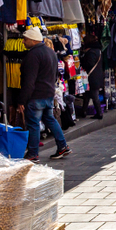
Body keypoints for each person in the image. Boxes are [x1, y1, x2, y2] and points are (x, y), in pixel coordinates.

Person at [18, 27, 71, 161]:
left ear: (33, 40)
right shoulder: (50, 52)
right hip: (48, 93)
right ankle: (62, 146)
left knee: (34, 124)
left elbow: (29, 81)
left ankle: (33, 154)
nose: (23, 42)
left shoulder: (33, 55)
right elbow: (54, 75)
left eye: (25, 39)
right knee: (50, 119)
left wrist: (22, 101)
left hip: (36, 95)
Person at [78, 34, 104, 120]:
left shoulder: (91, 52)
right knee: (87, 94)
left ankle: (99, 113)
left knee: (94, 95)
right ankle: (83, 111)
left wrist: (82, 61)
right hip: (97, 76)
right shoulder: (98, 50)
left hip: (92, 77)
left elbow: (89, 64)